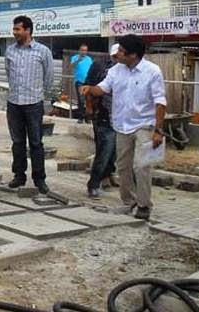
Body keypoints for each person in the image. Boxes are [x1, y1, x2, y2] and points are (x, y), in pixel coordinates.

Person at [80, 34, 167, 220]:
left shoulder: (152, 71)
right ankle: (129, 202)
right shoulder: (115, 71)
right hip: (121, 124)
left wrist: (159, 131)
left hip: (145, 125)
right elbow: (103, 88)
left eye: (121, 51)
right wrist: (89, 89)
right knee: (123, 166)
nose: (117, 54)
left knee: (141, 166)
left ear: (133, 55)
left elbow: (160, 102)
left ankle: (144, 206)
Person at [4, 15, 54, 194]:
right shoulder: (10, 51)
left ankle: (39, 179)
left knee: (35, 143)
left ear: (28, 30)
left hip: (34, 104)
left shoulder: (43, 51)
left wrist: (46, 102)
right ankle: (19, 175)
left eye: (18, 29)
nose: (14, 32)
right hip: (14, 103)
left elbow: (49, 78)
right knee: (17, 142)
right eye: (14, 29)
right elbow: (9, 74)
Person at [84, 43, 121, 199]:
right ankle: (94, 184)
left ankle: (107, 174)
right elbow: (88, 87)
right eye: (115, 56)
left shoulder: (129, 70)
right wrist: (89, 107)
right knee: (104, 150)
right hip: (103, 114)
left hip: (121, 117)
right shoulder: (101, 67)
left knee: (114, 152)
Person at [70, 44, 93, 123]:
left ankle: (88, 118)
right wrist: (78, 60)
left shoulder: (89, 59)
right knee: (81, 100)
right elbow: (72, 66)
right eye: (82, 50)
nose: (84, 52)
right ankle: (81, 117)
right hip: (79, 81)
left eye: (85, 50)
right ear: (79, 50)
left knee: (88, 100)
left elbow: (91, 69)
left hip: (87, 82)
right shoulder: (75, 57)